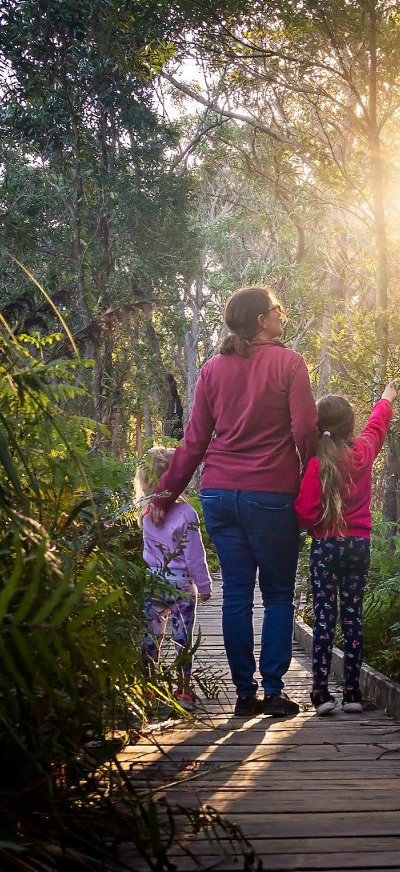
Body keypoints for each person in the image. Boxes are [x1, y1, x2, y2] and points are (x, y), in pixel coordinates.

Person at [149, 287, 318, 718]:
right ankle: (274, 691)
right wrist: (307, 478)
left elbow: (193, 443)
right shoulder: (290, 363)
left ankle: (244, 695)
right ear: (263, 319)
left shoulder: (211, 370)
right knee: (279, 594)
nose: (282, 316)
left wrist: (164, 497)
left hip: (219, 494)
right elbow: (304, 432)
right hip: (272, 494)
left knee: (237, 594)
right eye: (278, 310)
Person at [295, 381, 397, 715]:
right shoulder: (362, 454)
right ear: (350, 425)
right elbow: (376, 427)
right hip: (358, 545)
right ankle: (352, 694)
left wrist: (316, 527)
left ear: (319, 426)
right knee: (352, 615)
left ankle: (322, 694)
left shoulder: (316, 464)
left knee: (324, 615)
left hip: (325, 546)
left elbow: (304, 513)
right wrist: (385, 398)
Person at [136, 446, 212, 711]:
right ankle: (183, 692)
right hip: (181, 585)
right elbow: (194, 555)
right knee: (182, 639)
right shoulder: (186, 513)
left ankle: (149, 690)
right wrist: (204, 585)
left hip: (153, 581)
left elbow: (147, 550)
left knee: (151, 637)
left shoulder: (145, 512)